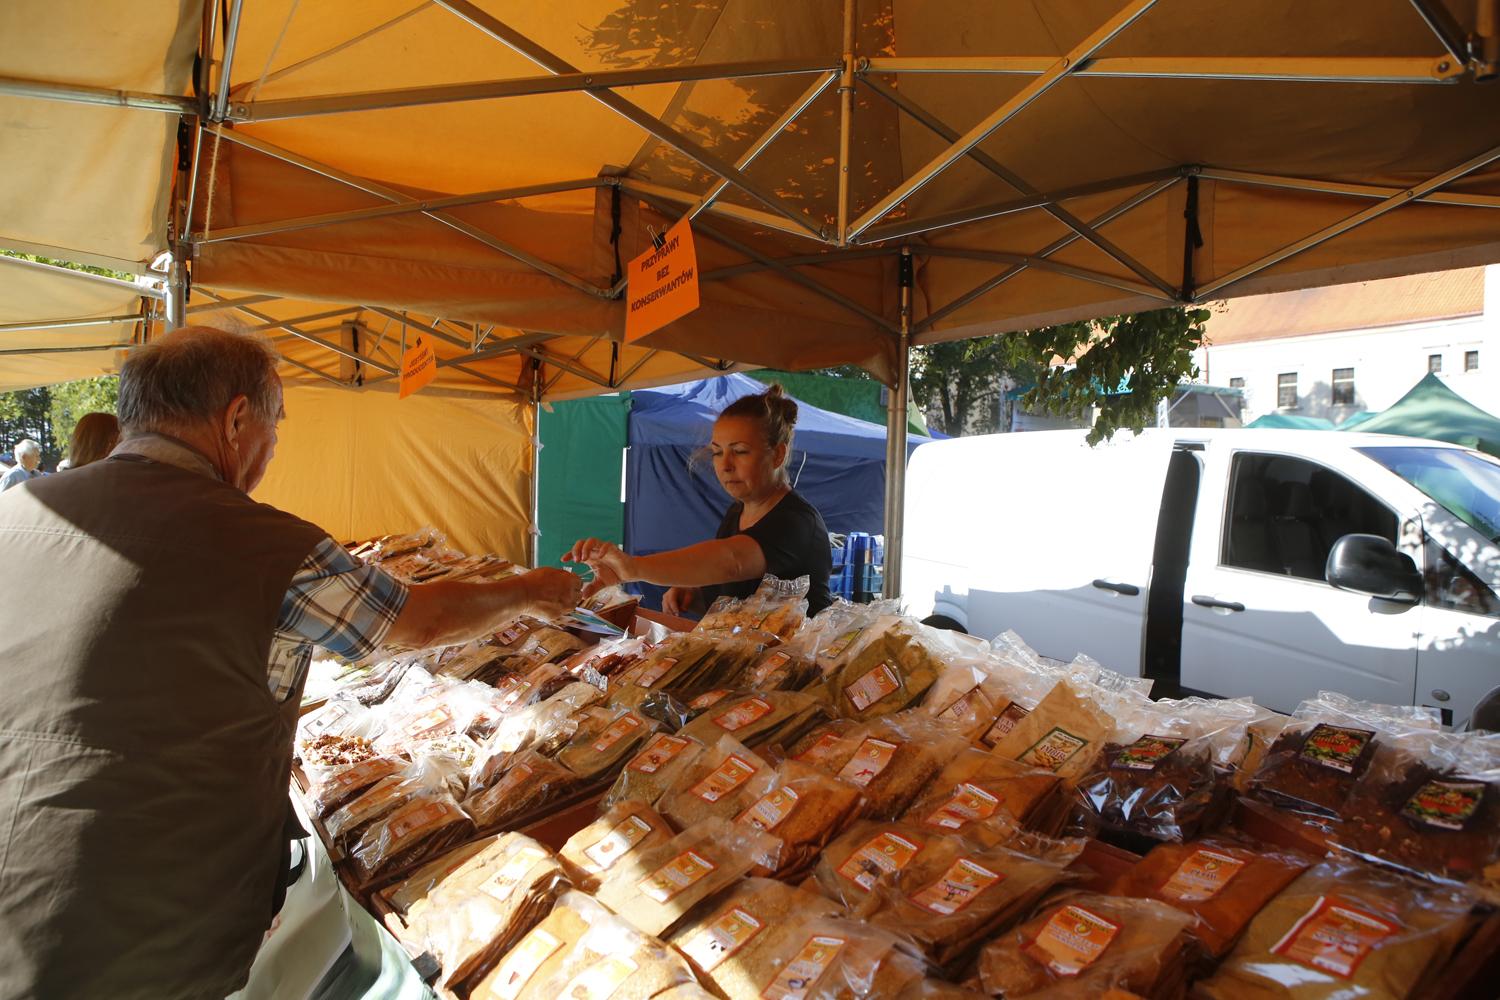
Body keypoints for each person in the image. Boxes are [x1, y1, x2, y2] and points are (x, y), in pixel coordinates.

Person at [0, 326, 580, 999]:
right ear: (236, 420)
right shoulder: (262, 543)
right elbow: (416, 622)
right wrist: (526, 592)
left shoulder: (15, 513)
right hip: (145, 922)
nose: (274, 444)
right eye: (275, 422)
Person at [566, 383, 833, 616]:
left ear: (777, 455)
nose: (725, 465)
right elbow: (734, 588)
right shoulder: (736, 513)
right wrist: (694, 594)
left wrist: (632, 567)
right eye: (717, 452)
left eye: (740, 451)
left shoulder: (796, 522)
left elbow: (731, 561)